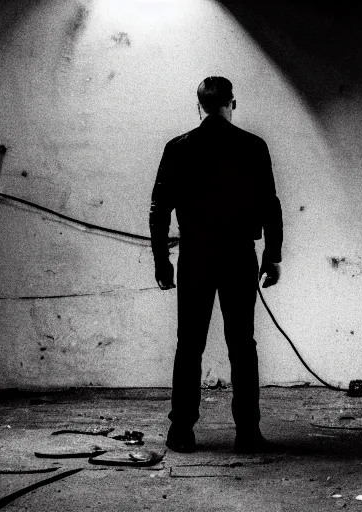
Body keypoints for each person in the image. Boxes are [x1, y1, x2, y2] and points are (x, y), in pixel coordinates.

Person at [149, 76, 283, 453]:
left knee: (189, 345)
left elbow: (160, 210)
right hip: (239, 254)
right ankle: (247, 433)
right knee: (242, 344)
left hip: (196, 255)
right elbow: (270, 205)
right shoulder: (253, 146)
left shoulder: (178, 148)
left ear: (199, 105)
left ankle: (181, 431)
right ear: (232, 103)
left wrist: (162, 261)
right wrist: (273, 255)